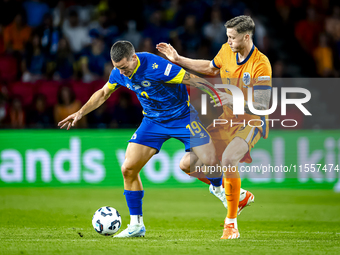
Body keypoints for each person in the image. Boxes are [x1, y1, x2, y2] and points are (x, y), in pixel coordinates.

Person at [58, 41, 229, 238]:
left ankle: (218, 188)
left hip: (182, 116)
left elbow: (193, 80)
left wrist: (217, 94)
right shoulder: (118, 72)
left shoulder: (156, 66)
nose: (121, 73)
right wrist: (80, 112)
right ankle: (136, 225)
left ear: (134, 58)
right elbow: (104, 93)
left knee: (209, 160)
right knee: (128, 169)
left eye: (124, 67)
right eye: (117, 68)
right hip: (152, 121)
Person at [157, 15, 272, 239]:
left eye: (233, 37)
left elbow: (262, 104)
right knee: (187, 165)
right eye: (227, 36)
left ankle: (231, 224)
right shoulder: (226, 51)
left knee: (229, 159)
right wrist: (178, 59)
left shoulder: (261, 63)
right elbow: (210, 68)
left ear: (246, 37)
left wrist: (236, 101)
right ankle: (230, 193)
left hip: (252, 120)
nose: (228, 41)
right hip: (227, 119)